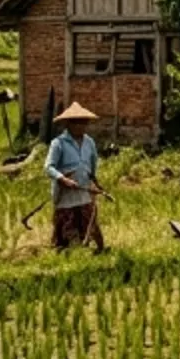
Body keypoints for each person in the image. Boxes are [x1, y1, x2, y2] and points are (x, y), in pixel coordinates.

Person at [45, 103, 106, 252]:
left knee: (89, 223)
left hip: (83, 191)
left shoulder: (89, 142)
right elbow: (48, 167)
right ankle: (64, 251)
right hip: (65, 193)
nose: (81, 126)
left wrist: (95, 183)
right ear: (68, 123)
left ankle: (98, 250)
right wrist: (63, 179)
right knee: (66, 227)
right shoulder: (58, 143)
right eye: (77, 122)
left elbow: (92, 167)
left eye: (84, 122)